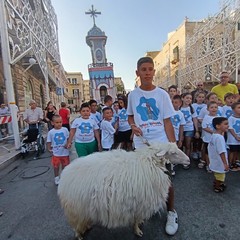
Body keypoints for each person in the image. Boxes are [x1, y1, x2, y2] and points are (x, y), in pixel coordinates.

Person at [127, 56, 179, 236]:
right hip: (141, 145)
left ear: (154, 72)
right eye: (144, 69)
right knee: (144, 180)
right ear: (137, 73)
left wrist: (173, 146)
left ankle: (171, 212)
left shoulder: (162, 94)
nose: (147, 73)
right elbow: (131, 116)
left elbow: (167, 122)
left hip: (161, 143)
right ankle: (145, 211)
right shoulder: (133, 95)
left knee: (167, 179)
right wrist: (133, 126)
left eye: (150, 69)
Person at [47, 115, 70, 185]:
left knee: (65, 166)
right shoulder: (51, 132)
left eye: (60, 122)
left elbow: (69, 138)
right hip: (56, 153)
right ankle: (56, 178)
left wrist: (68, 144)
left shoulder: (65, 130)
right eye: (57, 122)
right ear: (52, 123)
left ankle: (64, 177)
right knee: (56, 166)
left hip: (65, 153)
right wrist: (49, 148)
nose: (59, 124)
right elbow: (49, 141)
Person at [208, 117, 229, 193]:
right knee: (220, 176)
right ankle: (217, 186)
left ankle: (217, 183)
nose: (228, 126)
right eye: (225, 124)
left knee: (217, 174)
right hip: (220, 161)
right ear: (218, 126)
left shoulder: (214, 135)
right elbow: (221, 151)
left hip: (215, 160)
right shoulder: (219, 138)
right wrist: (225, 163)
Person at [180, 92, 200, 168]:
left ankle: (186, 161)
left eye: (190, 98)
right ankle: (180, 159)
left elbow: (195, 119)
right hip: (180, 129)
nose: (189, 100)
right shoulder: (179, 108)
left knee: (188, 145)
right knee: (180, 144)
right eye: (187, 98)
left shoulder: (191, 108)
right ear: (182, 98)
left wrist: (197, 130)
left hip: (189, 128)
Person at [170, 95, 186, 175]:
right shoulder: (167, 112)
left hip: (175, 136)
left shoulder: (180, 114)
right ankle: (169, 167)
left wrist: (180, 139)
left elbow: (181, 127)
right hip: (167, 136)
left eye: (176, 102)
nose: (173, 104)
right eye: (172, 102)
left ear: (180, 103)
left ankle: (172, 166)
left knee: (173, 151)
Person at [201, 102, 219, 172]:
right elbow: (204, 127)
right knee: (208, 152)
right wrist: (213, 132)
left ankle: (214, 165)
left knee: (215, 152)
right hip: (208, 139)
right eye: (211, 107)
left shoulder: (218, 117)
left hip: (216, 139)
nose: (214, 109)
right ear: (208, 109)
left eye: (215, 107)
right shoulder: (206, 117)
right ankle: (208, 165)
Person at [192, 91, 206, 160]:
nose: (201, 98)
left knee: (201, 139)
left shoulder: (205, 106)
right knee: (195, 138)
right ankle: (194, 151)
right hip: (195, 124)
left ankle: (199, 150)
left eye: (202, 97)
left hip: (202, 124)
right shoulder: (193, 105)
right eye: (199, 97)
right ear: (196, 98)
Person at [227, 102, 240, 171]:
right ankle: (230, 163)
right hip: (233, 139)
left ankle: (235, 162)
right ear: (233, 109)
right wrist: (236, 136)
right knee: (232, 151)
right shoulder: (231, 118)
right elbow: (230, 128)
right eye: (238, 108)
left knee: (237, 151)